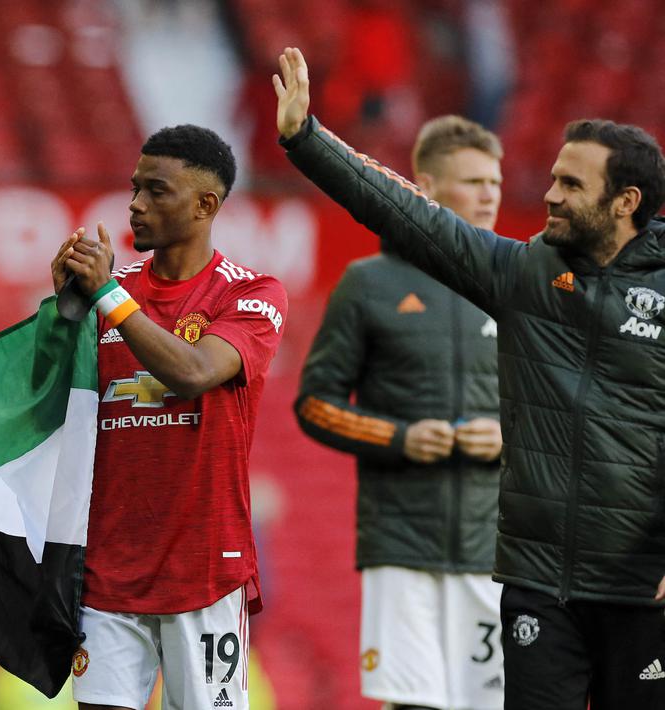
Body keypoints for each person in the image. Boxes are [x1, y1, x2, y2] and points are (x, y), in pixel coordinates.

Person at [275, 46, 665, 709]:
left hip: (641, 583)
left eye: (571, 185)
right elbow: (404, 212)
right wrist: (306, 140)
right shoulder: (524, 275)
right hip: (537, 583)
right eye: (552, 177)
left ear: (625, 201)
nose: (547, 194)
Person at [51, 125, 287, 710]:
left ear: (206, 205)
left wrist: (105, 296)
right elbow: (54, 402)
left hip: (204, 569)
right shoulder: (110, 293)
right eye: (135, 188)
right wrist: (65, 313)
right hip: (108, 570)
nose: (135, 204)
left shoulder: (251, 293)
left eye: (156, 191)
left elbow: (194, 371)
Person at [294, 115, 506, 710]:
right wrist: (401, 437)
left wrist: (509, 436)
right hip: (400, 546)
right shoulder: (369, 284)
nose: (490, 193)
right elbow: (315, 404)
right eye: (473, 181)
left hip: (496, 546)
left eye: (495, 180)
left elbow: (561, 411)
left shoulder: (521, 284)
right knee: (413, 705)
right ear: (428, 187)